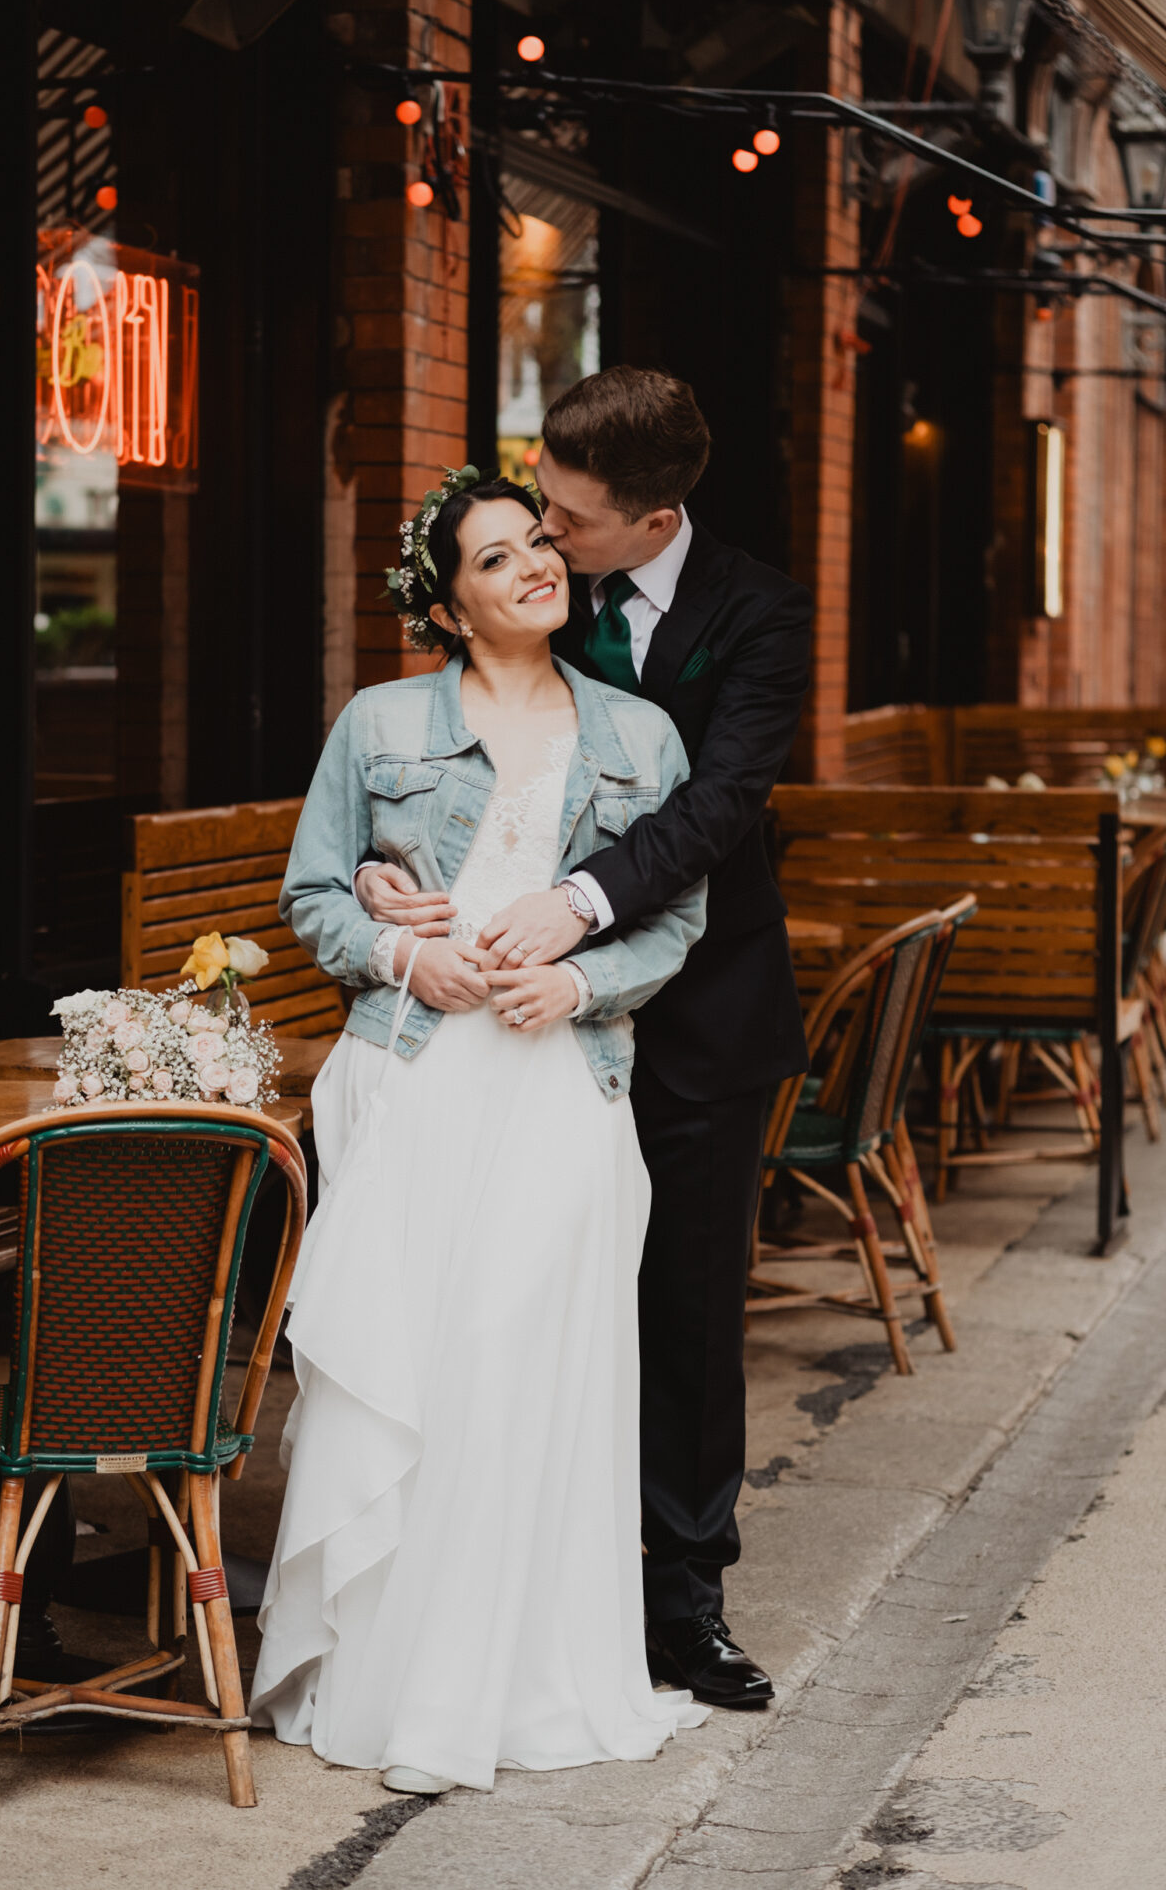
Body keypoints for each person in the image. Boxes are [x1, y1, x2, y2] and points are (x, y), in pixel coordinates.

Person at [356, 369, 812, 1709]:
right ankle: (508, 1583)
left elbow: (721, 804)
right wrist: (391, 866)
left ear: (656, 516)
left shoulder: (760, 614)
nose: (544, 537)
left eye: (568, 518)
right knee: (511, 1298)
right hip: (514, 1028)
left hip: (699, 1017)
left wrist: (581, 902)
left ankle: (683, 1603)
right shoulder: (531, 598)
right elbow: (453, 757)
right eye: (536, 508)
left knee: (682, 1306)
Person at [250, 470, 710, 1794]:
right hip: (412, 1080)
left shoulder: (641, 736)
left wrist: (578, 980)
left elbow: (673, 919)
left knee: (529, 1358)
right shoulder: (380, 723)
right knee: (416, 1362)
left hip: (565, 1080)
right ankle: (382, 1669)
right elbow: (314, 895)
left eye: (539, 545)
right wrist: (404, 955)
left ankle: (511, 1675)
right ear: (446, 606)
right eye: (498, 558)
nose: (535, 568)